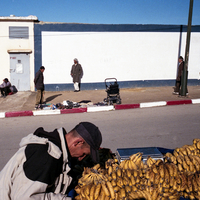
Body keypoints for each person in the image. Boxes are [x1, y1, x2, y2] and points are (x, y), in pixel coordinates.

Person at [0, 122, 102, 200]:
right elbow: (24, 198)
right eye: (83, 153)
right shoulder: (46, 156)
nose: (81, 158)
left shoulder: (56, 145)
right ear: (78, 142)